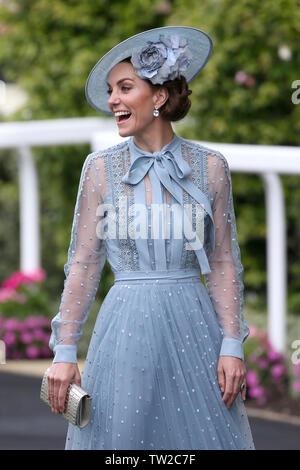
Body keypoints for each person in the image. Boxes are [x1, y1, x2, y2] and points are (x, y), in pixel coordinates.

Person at [47, 26, 255, 450]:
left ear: (159, 96)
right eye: (111, 90)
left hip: (196, 329)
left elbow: (222, 262)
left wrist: (232, 342)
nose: (113, 101)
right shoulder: (100, 169)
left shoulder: (211, 166)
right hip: (123, 330)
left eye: (126, 87)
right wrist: (64, 351)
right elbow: (84, 266)